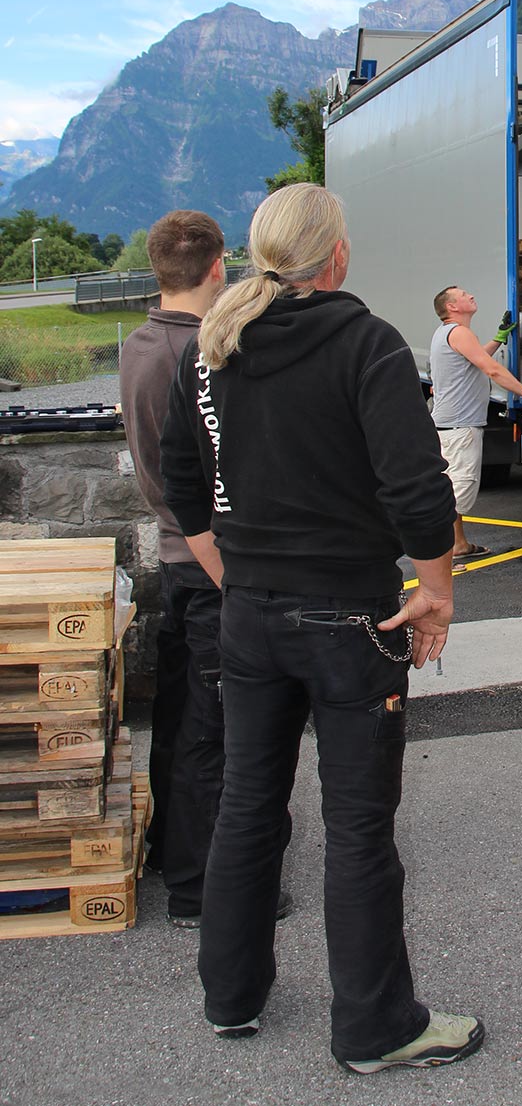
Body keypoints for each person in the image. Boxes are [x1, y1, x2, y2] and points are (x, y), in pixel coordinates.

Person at [160, 183, 484, 1076]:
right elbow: (418, 491)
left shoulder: (212, 348)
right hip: (350, 618)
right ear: (335, 256)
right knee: (356, 828)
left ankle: (230, 997)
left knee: (246, 805)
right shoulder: (363, 340)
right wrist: (437, 592)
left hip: (251, 619)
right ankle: (376, 1028)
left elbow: (179, 481)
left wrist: (240, 580)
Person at [118, 209, 233, 927]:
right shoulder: (199, 355)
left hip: (173, 551)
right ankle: (198, 886)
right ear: (219, 268)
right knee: (211, 728)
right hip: (205, 557)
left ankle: (170, 848)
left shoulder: (139, 342)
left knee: (177, 712)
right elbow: (206, 474)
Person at [429, 286, 522, 561]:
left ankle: (458, 544)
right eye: (463, 295)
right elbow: (491, 368)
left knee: (453, 488)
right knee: (458, 489)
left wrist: (498, 339)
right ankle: (447, 550)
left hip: (452, 425)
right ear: (452, 307)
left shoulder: (449, 334)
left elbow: (478, 358)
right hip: (459, 427)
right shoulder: (458, 332)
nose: (471, 296)